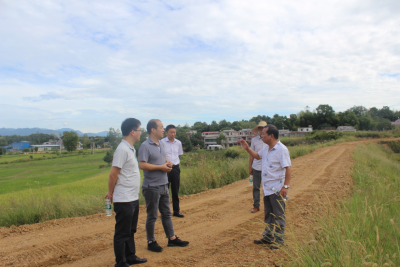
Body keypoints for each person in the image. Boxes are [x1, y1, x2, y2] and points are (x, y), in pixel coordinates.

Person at [139, 119, 189, 253]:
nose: (163, 130)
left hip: (163, 184)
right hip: (151, 186)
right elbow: (142, 165)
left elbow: (163, 157)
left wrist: (168, 162)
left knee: (166, 213)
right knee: (152, 215)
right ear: (153, 130)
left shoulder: (160, 143)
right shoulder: (145, 146)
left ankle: (172, 239)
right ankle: (151, 241)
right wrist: (161, 167)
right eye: (161, 127)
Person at [238, 124, 292, 249]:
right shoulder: (267, 148)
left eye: (264, 134)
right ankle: (268, 236)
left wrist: (286, 187)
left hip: (277, 189)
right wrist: (247, 148)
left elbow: (288, 169)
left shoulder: (281, 149)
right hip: (267, 188)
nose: (261, 136)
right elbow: (257, 156)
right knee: (268, 214)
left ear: (271, 136)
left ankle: (279, 239)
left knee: (278, 215)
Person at [105, 118, 147, 266]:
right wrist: (110, 193)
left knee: (131, 230)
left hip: (132, 198)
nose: (141, 133)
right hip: (123, 199)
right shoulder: (122, 149)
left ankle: (130, 257)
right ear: (132, 132)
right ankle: (121, 262)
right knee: (122, 232)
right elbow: (113, 174)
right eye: (140, 130)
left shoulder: (130, 148)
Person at [160, 124, 185, 218]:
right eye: (171, 132)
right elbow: (161, 155)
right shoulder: (161, 142)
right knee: (164, 191)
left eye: (174, 132)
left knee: (175, 191)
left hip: (175, 168)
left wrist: (173, 163)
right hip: (165, 168)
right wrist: (167, 162)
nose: (173, 134)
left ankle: (176, 211)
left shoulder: (178, 143)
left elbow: (178, 155)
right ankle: (164, 212)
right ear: (166, 132)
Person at [249, 121, 267, 213]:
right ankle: (256, 205)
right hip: (256, 167)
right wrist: (250, 167)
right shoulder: (254, 140)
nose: (261, 130)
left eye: (263, 128)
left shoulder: (269, 139)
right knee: (256, 187)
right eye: (260, 128)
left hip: (267, 167)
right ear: (258, 129)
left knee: (267, 187)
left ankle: (269, 206)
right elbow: (251, 154)